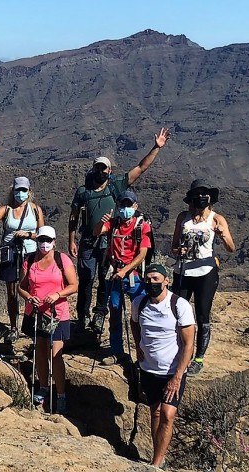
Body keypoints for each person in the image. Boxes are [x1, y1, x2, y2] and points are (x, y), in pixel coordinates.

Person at [69, 128, 170, 331]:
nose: (101, 172)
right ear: (93, 169)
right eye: (98, 168)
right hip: (88, 240)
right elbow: (74, 217)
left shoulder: (115, 186)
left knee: (104, 278)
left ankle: (99, 314)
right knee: (86, 279)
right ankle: (82, 316)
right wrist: (72, 240)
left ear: (109, 171)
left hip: (108, 240)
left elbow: (141, 168)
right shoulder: (83, 192)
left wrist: (156, 147)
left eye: (104, 168)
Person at [129, 263, 196, 468]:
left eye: (156, 279)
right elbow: (134, 323)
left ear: (166, 281)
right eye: (148, 279)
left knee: (168, 414)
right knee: (156, 412)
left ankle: (156, 464)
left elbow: (188, 344)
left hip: (172, 371)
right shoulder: (139, 303)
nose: (151, 283)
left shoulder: (179, 306)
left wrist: (178, 376)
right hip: (149, 369)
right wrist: (138, 345)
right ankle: (159, 455)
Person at [170, 180, 236, 376]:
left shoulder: (217, 219)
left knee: (202, 315)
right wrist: (178, 251)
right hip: (182, 271)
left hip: (205, 273)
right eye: (196, 194)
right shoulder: (183, 217)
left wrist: (222, 235)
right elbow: (173, 246)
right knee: (177, 313)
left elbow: (231, 248)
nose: (200, 198)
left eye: (203, 194)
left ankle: (198, 358)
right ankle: (180, 352)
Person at [17, 226, 78, 414]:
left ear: (54, 242)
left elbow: (73, 285)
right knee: (40, 350)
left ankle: (61, 394)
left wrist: (58, 294)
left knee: (55, 353)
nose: (44, 244)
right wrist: (29, 297)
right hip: (36, 313)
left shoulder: (62, 260)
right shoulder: (29, 260)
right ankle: (43, 387)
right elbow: (21, 287)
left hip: (56, 313)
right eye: (41, 240)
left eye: (48, 240)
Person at [94, 190, 153, 364]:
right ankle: (116, 351)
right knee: (115, 311)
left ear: (135, 206)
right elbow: (97, 232)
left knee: (142, 313)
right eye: (122, 205)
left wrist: (125, 270)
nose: (125, 208)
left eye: (129, 205)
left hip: (133, 276)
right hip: (115, 274)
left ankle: (145, 352)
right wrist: (101, 222)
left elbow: (142, 254)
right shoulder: (113, 224)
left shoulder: (142, 226)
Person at [0, 176, 45, 340]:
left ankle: (29, 325)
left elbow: (42, 233)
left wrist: (28, 235)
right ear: (13, 191)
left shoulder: (35, 210)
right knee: (11, 292)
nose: (20, 193)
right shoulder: (7, 210)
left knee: (30, 290)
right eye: (18, 190)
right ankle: (14, 327)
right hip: (10, 252)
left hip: (30, 253)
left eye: (23, 190)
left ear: (29, 191)